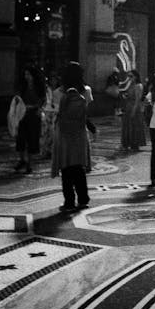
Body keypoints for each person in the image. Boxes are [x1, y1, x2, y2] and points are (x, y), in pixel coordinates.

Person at [52, 61, 95, 213]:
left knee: (66, 166)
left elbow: (56, 113)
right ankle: (83, 199)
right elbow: (86, 112)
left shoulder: (58, 93)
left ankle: (69, 201)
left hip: (63, 133)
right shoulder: (87, 91)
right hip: (79, 132)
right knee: (79, 166)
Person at [14, 65, 46, 174]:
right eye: (25, 74)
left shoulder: (39, 87)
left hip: (33, 114)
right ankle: (22, 159)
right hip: (22, 113)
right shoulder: (23, 86)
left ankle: (30, 163)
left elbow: (43, 99)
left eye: (28, 74)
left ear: (33, 76)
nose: (26, 76)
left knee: (32, 138)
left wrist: (39, 108)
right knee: (21, 137)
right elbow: (18, 98)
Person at [121, 69, 146, 151]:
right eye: (128, 76)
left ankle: (134, 144)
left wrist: (134, 110)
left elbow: (137, 100)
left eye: (131, 76)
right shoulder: (131, 85)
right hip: (128, 106)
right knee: (128, 126)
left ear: (136, 77)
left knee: (134, 126)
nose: (129, 78)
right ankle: (128, 143)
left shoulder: (138, 86)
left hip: (134, 107)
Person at [40, 70, 63, 159]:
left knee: (55, 132)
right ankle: (46, 151)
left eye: (55, 79)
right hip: (47, 111)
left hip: (57, 111)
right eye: (52, 79)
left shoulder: (59, 90)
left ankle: (53, 151)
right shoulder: (47, 89)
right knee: (46, 132)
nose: (53, 81)